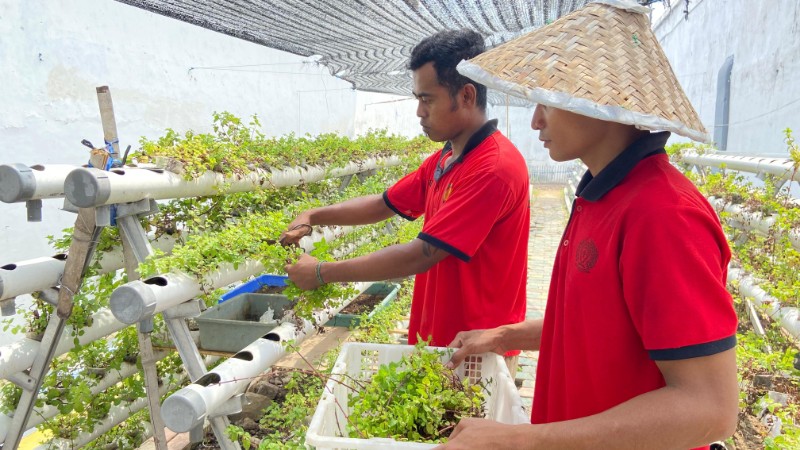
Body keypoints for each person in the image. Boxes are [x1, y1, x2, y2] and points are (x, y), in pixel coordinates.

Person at [436, 1, 739, 449]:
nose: (536, 119)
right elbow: (595, 326)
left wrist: (521, 440)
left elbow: (709, 409)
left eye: (550, 101)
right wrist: (506, 335)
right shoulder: (600, 194)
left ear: (603, 102)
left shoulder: (662, 215)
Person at [281, 29, 530, 353]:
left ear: (466, 96)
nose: (419, 112)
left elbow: (420, 254)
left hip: (476, 349)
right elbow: (384, 204)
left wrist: (320, 272)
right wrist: (313, 215)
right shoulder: (447, 158)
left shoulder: (493, 169)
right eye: (417, 100)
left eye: (427, 100)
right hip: (438, 341)